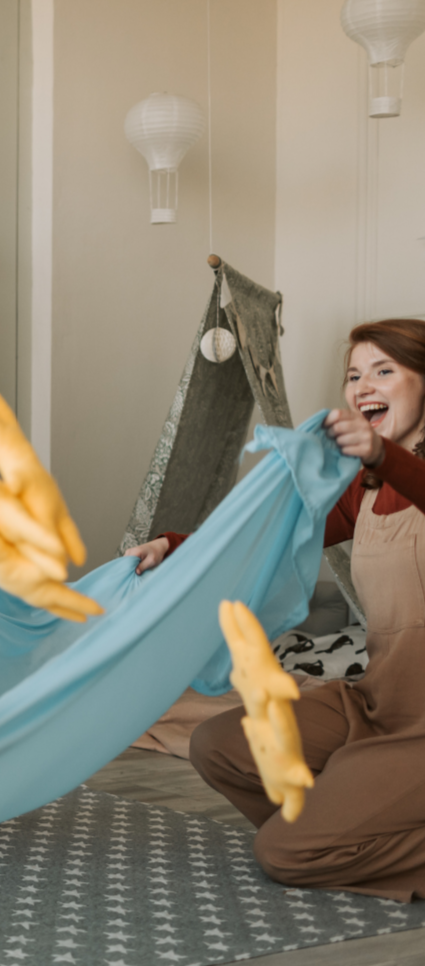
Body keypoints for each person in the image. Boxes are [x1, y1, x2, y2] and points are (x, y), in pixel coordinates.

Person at [124, 318, 425, 901]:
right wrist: (174, 546)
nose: (364, 385)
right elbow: (270, 540)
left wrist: (386, 456)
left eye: (384, 371)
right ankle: (352, 823)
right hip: (378, 703)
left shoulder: (394, 470)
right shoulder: (364, 489)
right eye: (354, 375)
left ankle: (330, 835)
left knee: (285, 852)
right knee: (221, 746)